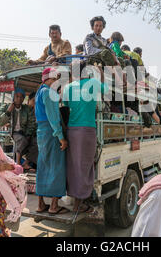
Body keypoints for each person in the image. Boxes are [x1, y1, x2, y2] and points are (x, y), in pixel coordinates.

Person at [62, 62, 108, 213]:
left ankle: (74, 198)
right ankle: (78, 203)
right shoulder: (93, 83)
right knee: (85, 165)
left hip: (72, 130)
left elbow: (67, 105)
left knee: (74, 164)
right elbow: (106, 90)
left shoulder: (68, 87)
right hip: (87, 129)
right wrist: (100, 71)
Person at [35, 68, 69, 214]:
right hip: (50, 132)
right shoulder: (49, 92)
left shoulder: (40, 92)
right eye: (55, 79)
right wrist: (61, 137)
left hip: (42, 132)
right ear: (49, 79)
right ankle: (54, 206)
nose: (57, 82)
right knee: (56, 167)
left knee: (43, 166)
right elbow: (53, 118)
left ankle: (41, 204)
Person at [0, 87, 37, 167]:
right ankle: (17, 163)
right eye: (17, 96)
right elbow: (0, 122)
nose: (19, 99)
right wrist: (8, 111)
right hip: (13, 132)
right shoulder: (5, 107)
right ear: (13, 97)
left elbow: (31, 123)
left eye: (21, 97)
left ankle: (26, 162)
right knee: (21, 139)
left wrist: (28, 134)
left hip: (24, 132)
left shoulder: (26, 109)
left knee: (36, 142)